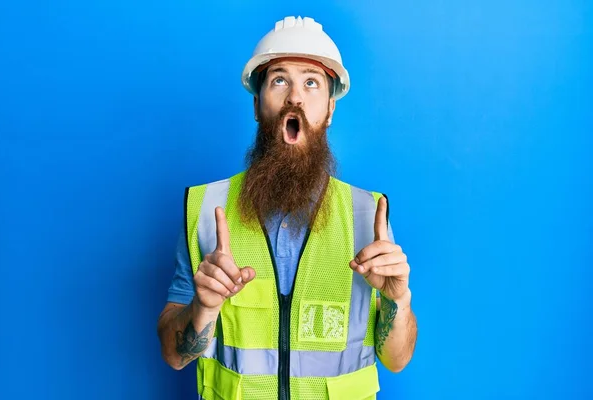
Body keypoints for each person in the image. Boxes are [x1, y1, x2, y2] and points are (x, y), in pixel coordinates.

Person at [157, 15, 418, 400]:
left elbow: (396, 360)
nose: (295, 96)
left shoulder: (368, 214)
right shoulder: (206, 208)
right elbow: (173, 355)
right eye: (280, 80)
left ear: (329, 109)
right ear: (257, 105)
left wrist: (398, 299)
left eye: (311, 82)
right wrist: (202, 308)